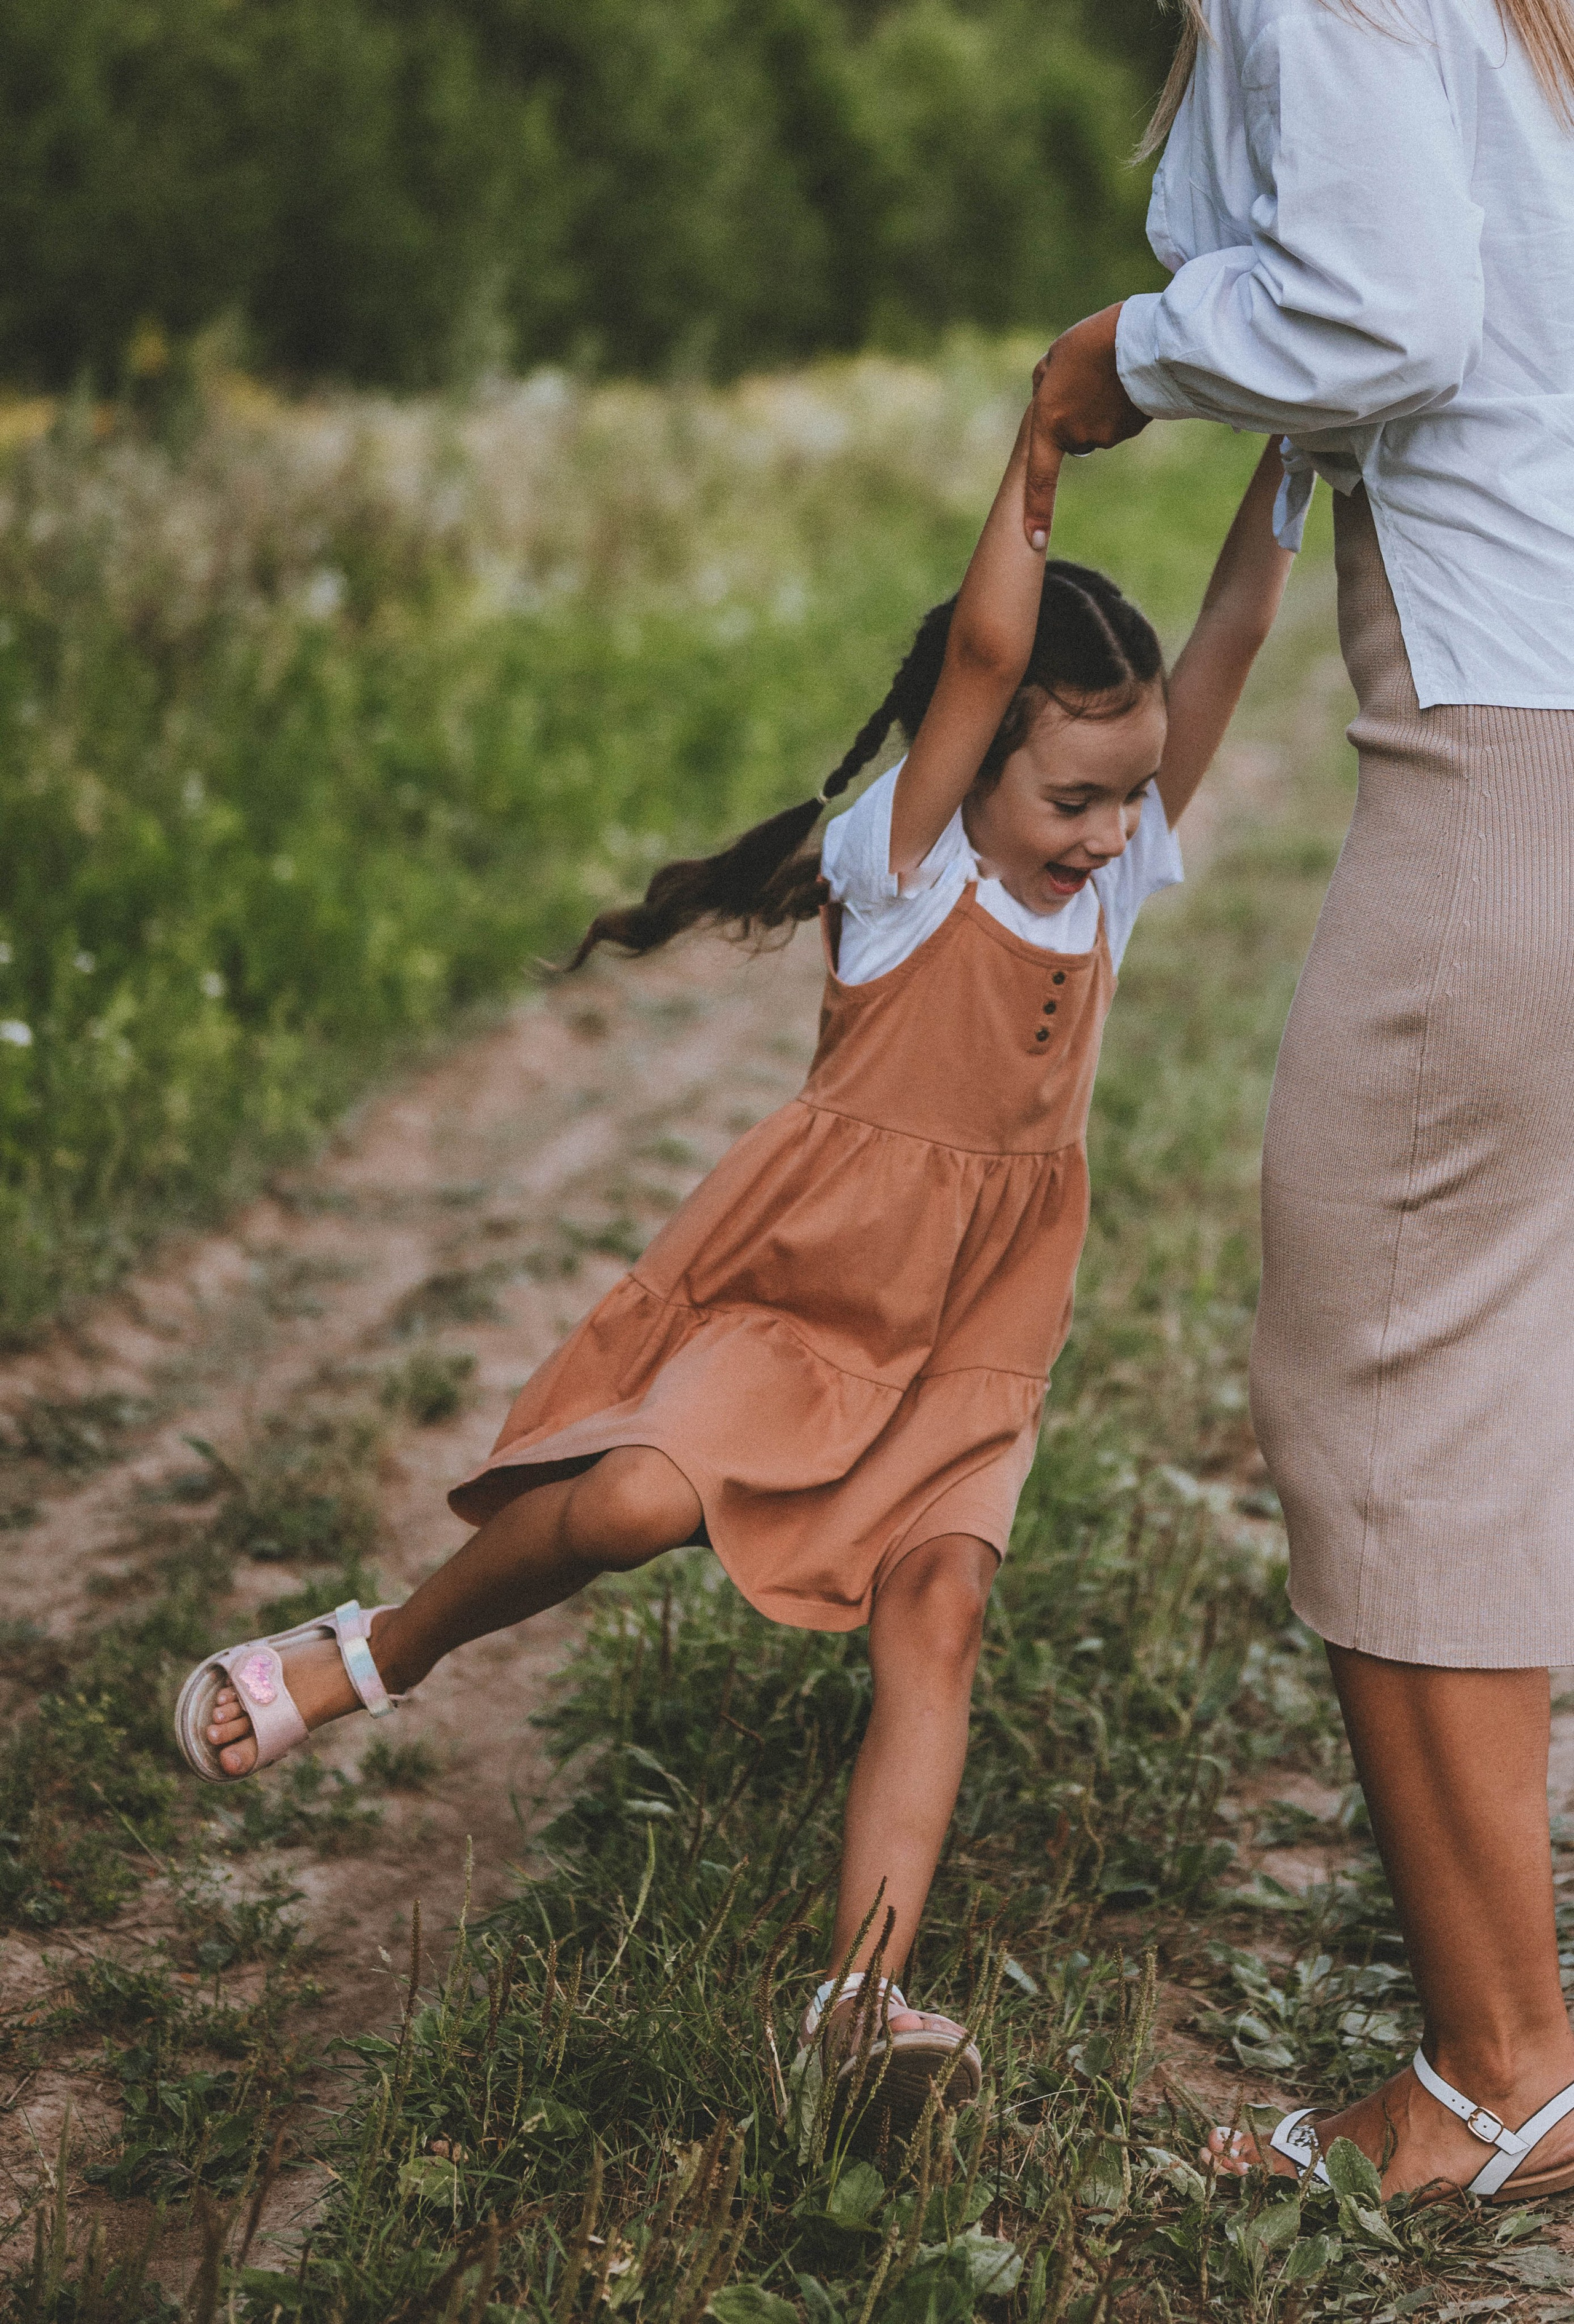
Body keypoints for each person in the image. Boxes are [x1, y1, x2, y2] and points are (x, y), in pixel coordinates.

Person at [173, 411, 1293, 2132]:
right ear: (966, 755)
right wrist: (1049, 425)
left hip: (979, 1325)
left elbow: (1222, 645)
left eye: (1129, 795)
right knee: (629, 1501)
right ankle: (378, 1648)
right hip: (810, 1289)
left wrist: (1293, 459)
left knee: (942, 1609)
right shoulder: (910, 871)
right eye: (1072, 794)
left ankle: (860, 1999)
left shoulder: (1109, 872)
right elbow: (993, 635)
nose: (1109, 829)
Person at [1024, 0, 1574, 2206]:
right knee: (1488, 1360)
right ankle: (1515, 2030)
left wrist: (1119, 356)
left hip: (1502, 774)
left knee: (1375, 1362)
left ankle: (1499, 2073)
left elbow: (1379, 309)